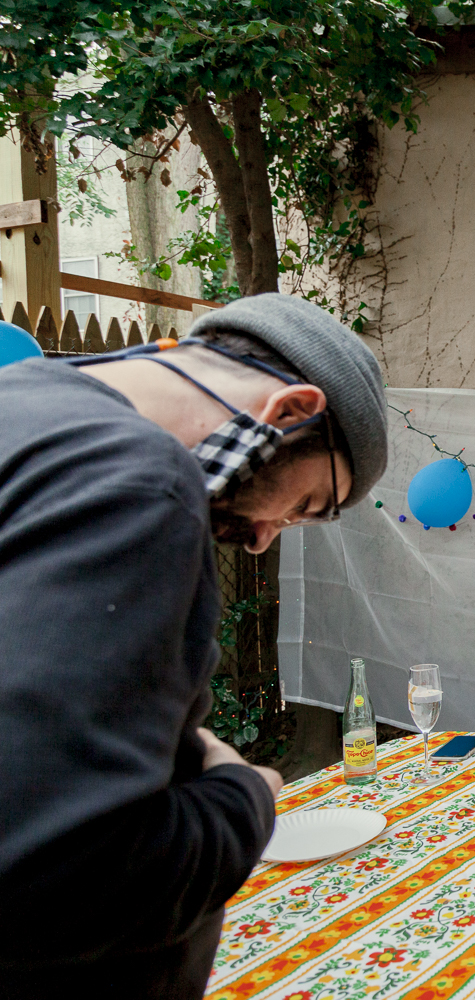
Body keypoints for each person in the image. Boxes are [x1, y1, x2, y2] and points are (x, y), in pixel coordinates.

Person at [0, 294, 389, 998]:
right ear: (293, 408)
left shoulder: (23, 408)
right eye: (304, 506)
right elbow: (63, 868)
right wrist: (242, 795)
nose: (268, 535)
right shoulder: (136, 481)